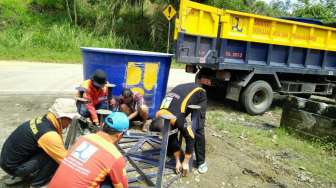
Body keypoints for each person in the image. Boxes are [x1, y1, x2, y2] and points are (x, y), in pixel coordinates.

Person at [0, 98, 78, 187]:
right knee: (53, 159)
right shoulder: (49, 134)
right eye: (69, 119)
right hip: (13, 167)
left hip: (6, 161)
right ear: (61, 117)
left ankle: (23, 174)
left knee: (50, 150)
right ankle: (36, 184)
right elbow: (66, 162)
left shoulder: (44, 120)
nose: (70, 123)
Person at [48, 112, 129, 188]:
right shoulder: (115, 156)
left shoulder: (83, 139)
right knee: (110, 182)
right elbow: (122, 186)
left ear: (103, 125)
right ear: (120, 135)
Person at [150, 83, 208, 175]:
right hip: (181, 95)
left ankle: (201, 162)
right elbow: (170, 134)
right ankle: (174, 152)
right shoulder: (158, 114)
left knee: (197, 129)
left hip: (198, 94)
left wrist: (185, 162)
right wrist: (177, 161)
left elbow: (190, 137)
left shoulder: (176, 117)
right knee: (170, 134)